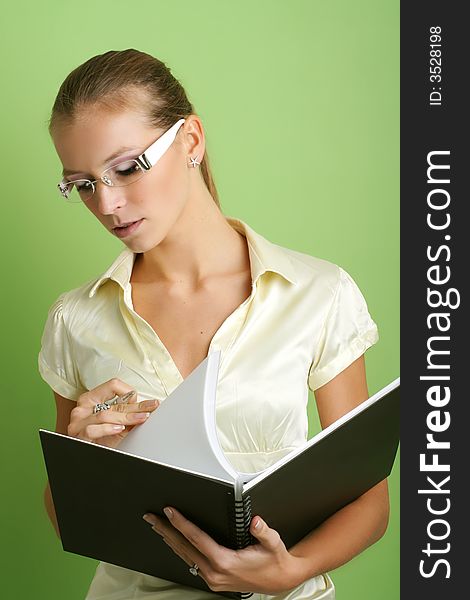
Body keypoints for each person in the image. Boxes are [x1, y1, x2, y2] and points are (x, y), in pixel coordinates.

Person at [39, 49, 389, 600]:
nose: (106, 203)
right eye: (82, 183)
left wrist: (291, 570)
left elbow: (369, 501)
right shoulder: (75, 319)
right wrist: (77, 456)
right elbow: (70, 520)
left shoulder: (317, 294)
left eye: (126, 167)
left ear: (191, 141)